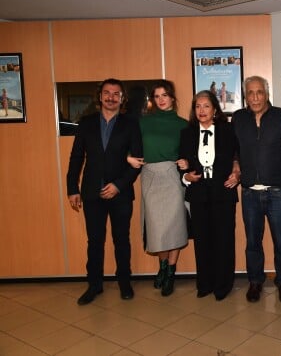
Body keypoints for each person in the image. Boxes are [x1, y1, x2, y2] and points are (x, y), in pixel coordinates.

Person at [66, 78, 143, 305]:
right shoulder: (86, 123)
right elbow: (76, 157)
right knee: (95, 241)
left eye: (116, 93)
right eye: (107, 93)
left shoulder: (131, 123)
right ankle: (94, 285)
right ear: (100, 97)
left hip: (120, 193)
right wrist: (72, 188)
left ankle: (124, 282)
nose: (111, 97)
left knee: (121, 239)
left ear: (122, 98)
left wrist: (119, 185)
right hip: (91, 193)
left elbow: (137, 160)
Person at [232, 75, 281, 303]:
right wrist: (236, 164)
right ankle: (255, 282)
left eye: (259, 92)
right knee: (253, 242)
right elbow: (234, 148)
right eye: (250, 93)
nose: (255, 97)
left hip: (278, 191)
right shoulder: (238, 118)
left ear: (267, 93)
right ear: (245, 96)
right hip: (249, 192)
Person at [126, 80, 189, 297]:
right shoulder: (143, 122)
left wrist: (187, 163)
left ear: (172, 97)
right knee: (156, 227)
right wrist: (128, 158)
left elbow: (190, 152)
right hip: (150, 176)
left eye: (165, 95)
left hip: (172, 176)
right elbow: (126, 144)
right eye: (157, 96)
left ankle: (170, 272)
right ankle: (162, 266)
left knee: (174, 225)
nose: (161, 100)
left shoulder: (183, 124)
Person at [179, 90, 240, 300]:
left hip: (223, 192)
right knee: (202, 241)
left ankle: (223, 285)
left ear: (215, 109)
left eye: (206, 106)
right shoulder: (186, 133)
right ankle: (204, 283)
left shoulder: (228, 130)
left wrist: (237, 173)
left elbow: (238, 157)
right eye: (197, 106)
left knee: (224, 240)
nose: (201, 110)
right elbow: (182, 165)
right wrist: (186, 176)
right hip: (198, 195)